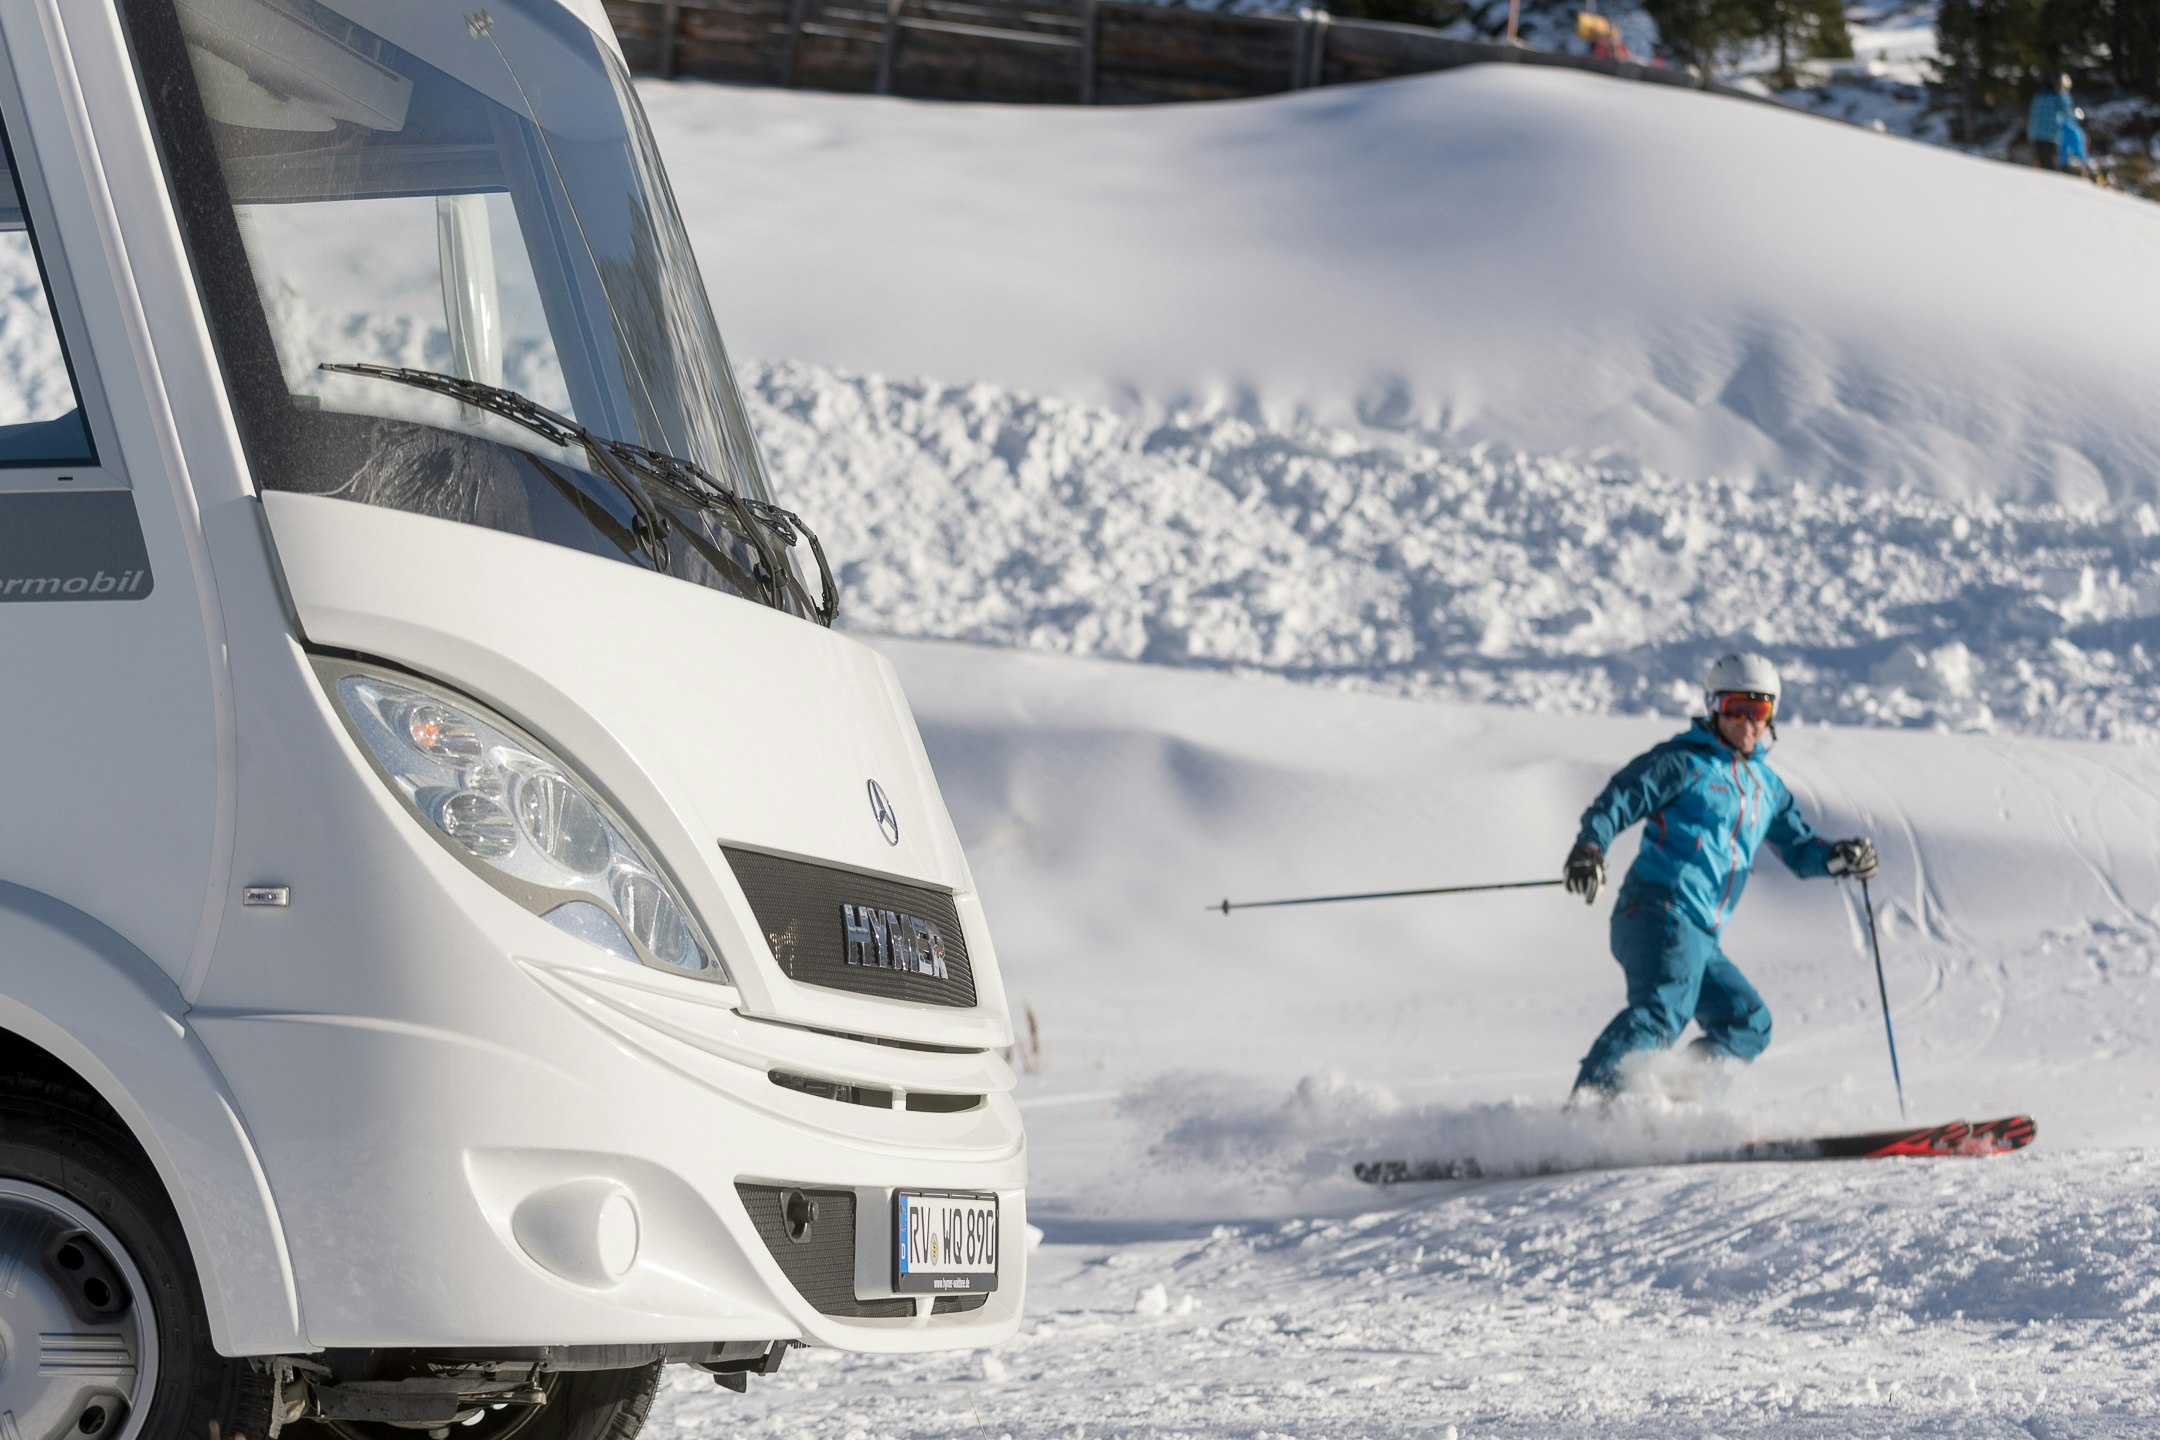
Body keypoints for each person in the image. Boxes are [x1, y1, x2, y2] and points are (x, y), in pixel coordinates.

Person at [1561, 653, 1877, 1099]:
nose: (1747, 723)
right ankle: (1589, 1110)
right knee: (1661, 1011)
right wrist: (1590, 847)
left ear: (1772, 714)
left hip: (1700, 933)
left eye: (1759, 710)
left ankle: (1672, 1099)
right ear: (1714, 707)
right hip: (1657, 909)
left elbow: (1802, 850)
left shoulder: (1766, 788)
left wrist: (1842, 857)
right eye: (1735, 709)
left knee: (1746, 1024)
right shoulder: (1684, 761)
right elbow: (1620, 799)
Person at [2027, 74, 2079, 171]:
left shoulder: (2038, 97)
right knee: (2050, 165)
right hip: (2050, 135)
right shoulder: (2059, 97)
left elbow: (2032, 114)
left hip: (2035, 134)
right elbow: (2068, 113)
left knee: (2040, 162)